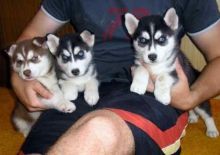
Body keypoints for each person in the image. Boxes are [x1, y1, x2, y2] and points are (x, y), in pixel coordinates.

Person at [12, 0, 220, 154]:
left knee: (99, 132)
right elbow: (31, 35)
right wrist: (17, 76)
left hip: (152, 88)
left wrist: (190, 98)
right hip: (80, 83)